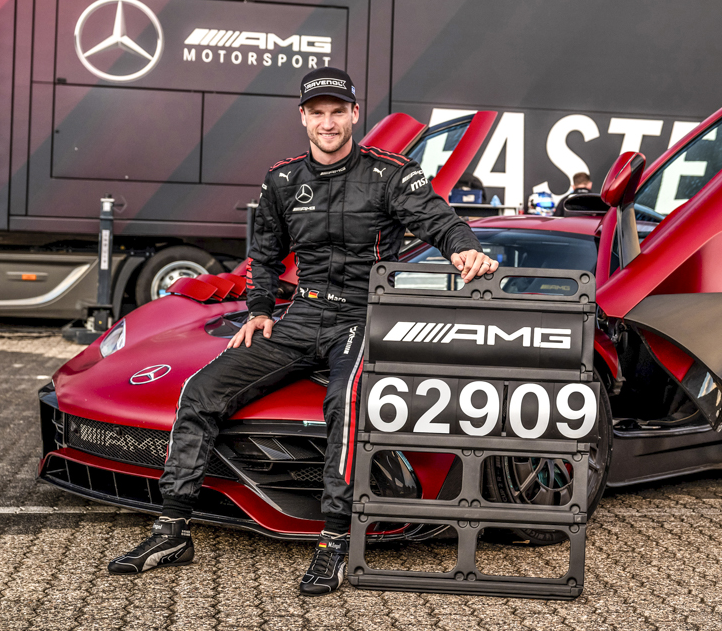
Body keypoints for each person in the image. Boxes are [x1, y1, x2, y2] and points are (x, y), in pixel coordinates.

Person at [108, 67, 499, 595]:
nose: (328, 122)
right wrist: (259, 309)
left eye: (338, 111)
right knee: (200, 391)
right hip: (301, 317)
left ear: (355, 114)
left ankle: (334, 542)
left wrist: (464, 248)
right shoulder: (282, 179)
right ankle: (172, 530)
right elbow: (264, 254)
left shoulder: (391, 173)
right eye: (318, 113)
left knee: (344, 403)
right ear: (303, 118)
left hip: (363, 317)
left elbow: (438, 220)